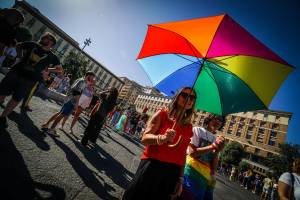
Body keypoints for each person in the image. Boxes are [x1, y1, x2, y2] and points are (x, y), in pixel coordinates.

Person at [122, 87, 197, 200]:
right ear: (177, 97)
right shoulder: (162, 114)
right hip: (152, 166)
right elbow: (145, 138)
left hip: (173, 173)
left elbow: (183, 154)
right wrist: (161, 138)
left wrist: (180, 179)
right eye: (185, 95)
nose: (189, 99)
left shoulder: (189, 127)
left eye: (192, 97)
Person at [0, 32, 62, 128]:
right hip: (16, 72)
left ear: (51, 43)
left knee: (16, 99)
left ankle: (3, 117)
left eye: (47, 38)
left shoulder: (52, 56)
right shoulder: (32, 44)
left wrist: (47, 69)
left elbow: (59, 69)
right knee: (2, 92)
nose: (44, 38)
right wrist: (19, 56)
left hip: (30, 79)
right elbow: (18, 45)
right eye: (44, 37)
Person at [180, 114, 226, 200]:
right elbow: (192, 153)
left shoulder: (216, 139)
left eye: (221, 121)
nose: (218, 122)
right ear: (209, 119)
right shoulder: (197, 130)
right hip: (189, 172)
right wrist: (213, 146)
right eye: (216, 118)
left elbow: (214, 168)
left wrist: (217, 152)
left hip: (203, 179)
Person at [41, 72, 96, 136]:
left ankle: (46, 124)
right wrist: (77, 103)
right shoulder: (83, 82)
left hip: (69, 99)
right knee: (62, 114)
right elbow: (77, 92)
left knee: (60, 112)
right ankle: (51, 129)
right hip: (72, 100)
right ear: (88, 76)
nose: (92, 79)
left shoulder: (80, 79)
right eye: (92, 77)